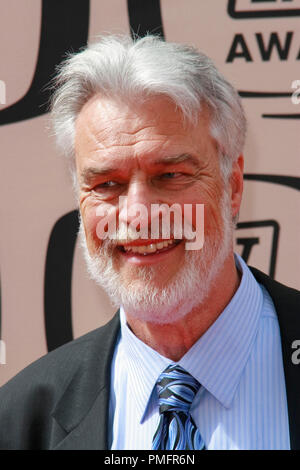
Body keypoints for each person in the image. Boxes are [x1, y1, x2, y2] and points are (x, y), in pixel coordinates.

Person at [0, 34, 299, 450]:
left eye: (170, 176)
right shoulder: (19, 421)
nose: (138, 215)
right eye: (107, 184)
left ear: (231, 186)